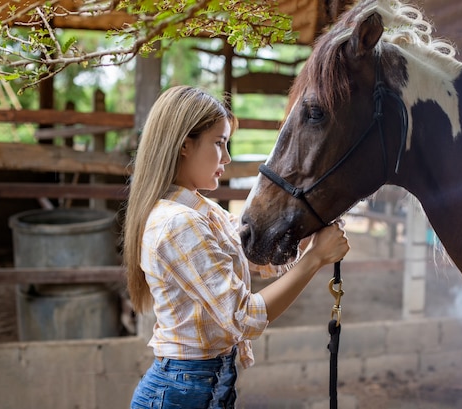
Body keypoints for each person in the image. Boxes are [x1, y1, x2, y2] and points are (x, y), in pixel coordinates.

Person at [123, 85, 350, 409]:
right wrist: (314, 258)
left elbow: (263, 260)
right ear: (185, 145)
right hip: (181, 392)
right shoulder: (178, 224)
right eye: (219, 143)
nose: (227, 157)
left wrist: (314, 221)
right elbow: (244, 316)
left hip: (205, 384)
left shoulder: (205, 211)